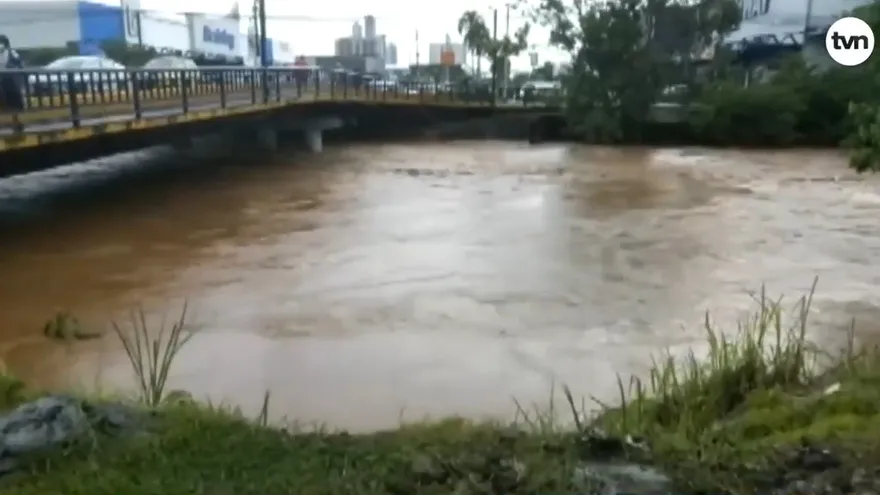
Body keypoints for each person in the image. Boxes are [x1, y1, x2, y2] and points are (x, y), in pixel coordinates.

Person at [0, 34, 25, 116]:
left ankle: (18, 116)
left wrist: (12, 67)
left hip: (11, 81)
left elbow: (20, 65)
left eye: (2, 42)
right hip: (2, 82)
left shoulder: (12, 53)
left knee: (14, 101)